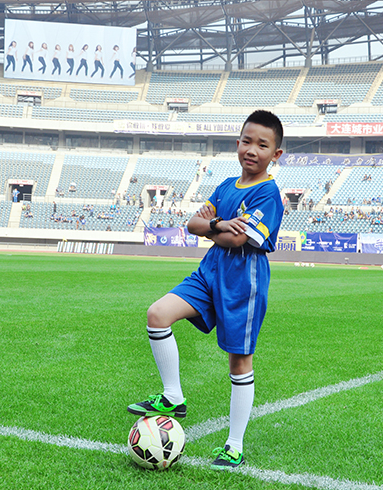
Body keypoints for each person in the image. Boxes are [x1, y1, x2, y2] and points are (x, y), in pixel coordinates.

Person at [126, 110, 285, 470]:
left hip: (243, 280)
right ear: (238, 143)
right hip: (210, 270)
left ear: (275, 154)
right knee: (157, 315)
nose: (252, 150)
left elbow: (239, 240)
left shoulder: (268, 193)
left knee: (239, 361)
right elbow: (193, 224)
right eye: (247, 141)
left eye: (262, 145)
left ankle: (234, 445)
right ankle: (173, 396)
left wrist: (214, 228)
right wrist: (219, 223)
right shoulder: (226, 186)